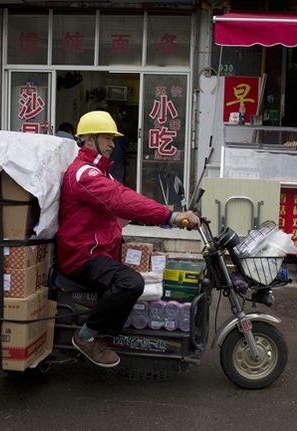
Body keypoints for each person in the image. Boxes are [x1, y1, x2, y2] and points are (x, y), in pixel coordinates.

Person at [57, 110, 199, 368]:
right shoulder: (83, 175)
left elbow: (124, 202)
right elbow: (121, 200)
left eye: (113, 138)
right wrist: (170, 216)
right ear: (90, 140)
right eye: (108, 138)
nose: (113, 144)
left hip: (100, 251)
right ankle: (86, 337)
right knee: (130, 282)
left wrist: (163, 219)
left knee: (146, 271)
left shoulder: (100, 173)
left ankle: (110, 335)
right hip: (81, 255)